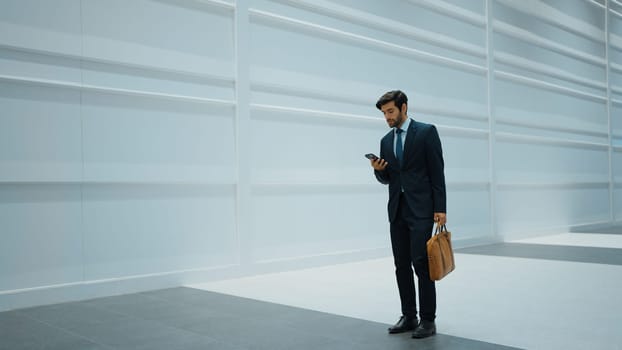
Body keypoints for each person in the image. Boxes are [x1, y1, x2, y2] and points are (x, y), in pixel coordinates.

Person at [370, 90, 447, 339]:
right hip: (398, 210)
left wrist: (440, 208)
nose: (387, 117)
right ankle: (409, 315)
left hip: (422, 209)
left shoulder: (426, 132)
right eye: (384, 113)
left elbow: (437, 172)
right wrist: (378, 170)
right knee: (400, 264)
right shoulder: (385, 141)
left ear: (404, 107)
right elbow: (390, 178)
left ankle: (428, 320)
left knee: (421, 263)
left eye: (390, 111)